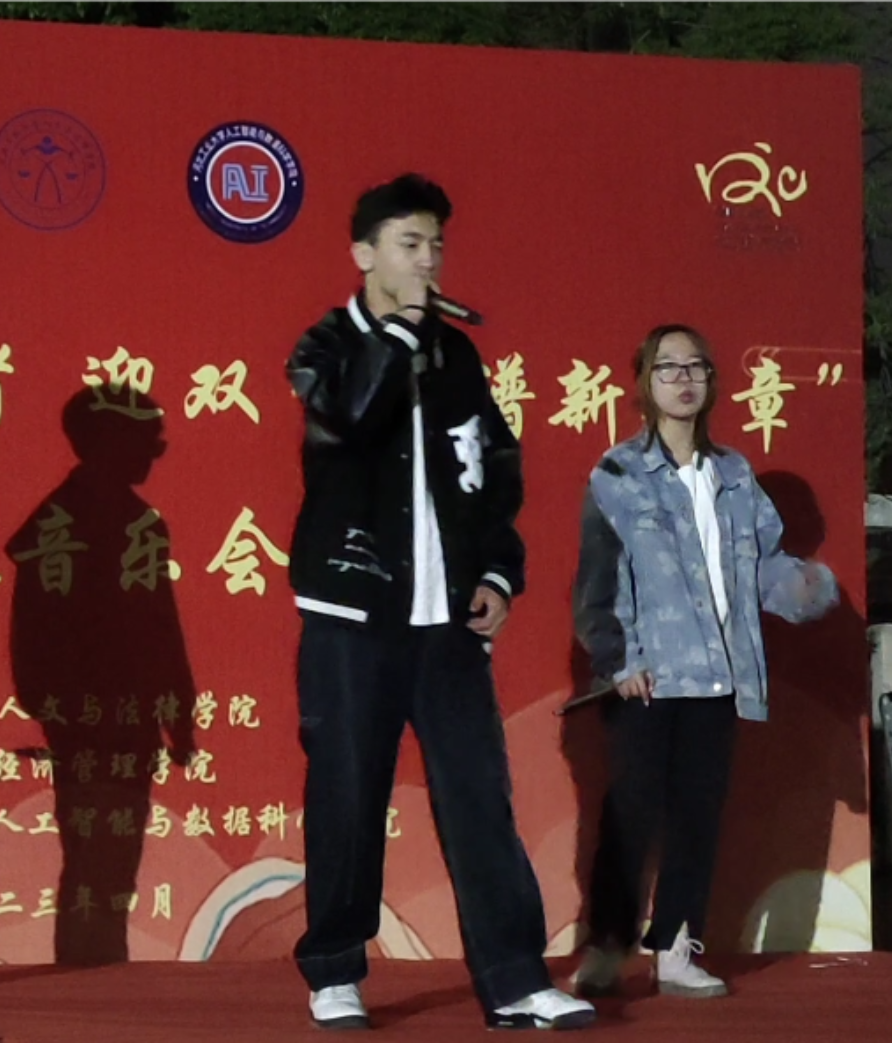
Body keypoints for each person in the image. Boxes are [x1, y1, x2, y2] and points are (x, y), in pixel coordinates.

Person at [284, 172, 595, 1032]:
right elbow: (347, 422)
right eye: (409, 244)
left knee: (479, 798)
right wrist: (396, 336)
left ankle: (514, 978)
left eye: (436, 246)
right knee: (348, 796)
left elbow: (494, 469)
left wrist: (496, 573)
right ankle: (335, 970)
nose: (428, 261)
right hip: (353, 617)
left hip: (447, 623)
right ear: (364, 254)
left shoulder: (456, 354)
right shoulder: (326, 345)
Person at [569, 323, 838, 999]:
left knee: (697, 818)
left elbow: (761, 566)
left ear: (712, 383)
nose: (683, 379)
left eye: (696, 367)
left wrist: (805, 589)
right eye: (668, 367)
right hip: (647, 677)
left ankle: (676, 948)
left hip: (719, 678)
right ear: (645, 382)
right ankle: (608, 944)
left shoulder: (735, 476)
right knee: (630, 817)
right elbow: (598, 582)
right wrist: (618, 660)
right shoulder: (618, 473)